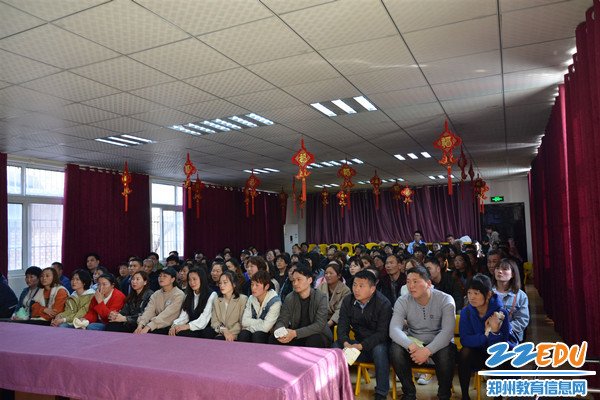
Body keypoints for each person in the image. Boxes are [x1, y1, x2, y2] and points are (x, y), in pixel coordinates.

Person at [389, 266, 456, 400]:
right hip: (415, 342)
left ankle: (444, 394)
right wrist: (411, 346)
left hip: (439, 343)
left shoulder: (445, 300)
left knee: (447, 352)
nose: (411, 286)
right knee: (395, 349)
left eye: (415, 281)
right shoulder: (403, 301)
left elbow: (447, 332)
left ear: (429, 284)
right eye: (408, 281)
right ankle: (409, 393)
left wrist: (427, 351)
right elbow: (394, 330)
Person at [337, 270, 392, 400]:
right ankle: (336, 387)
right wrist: (346, 343)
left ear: (372, 289)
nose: (356, 289)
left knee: (380, 350)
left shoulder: (384, 303)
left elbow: (382, 334)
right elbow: (342, 326)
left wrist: (361, 346)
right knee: (336, 347)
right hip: (357, 344)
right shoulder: (348, 301)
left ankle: (381, 392)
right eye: (355, 285)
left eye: (361, 286)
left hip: (377, 345)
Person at [458, 274, 514, 400]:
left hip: (497, 354)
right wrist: (485, 336)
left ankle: (498, 397)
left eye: (476, 293)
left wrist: (494, 331)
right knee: (464, 352)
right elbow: (465, 339)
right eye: (469, 293)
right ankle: (465, 396)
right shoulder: (466, 312)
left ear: (488, 295)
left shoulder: (500, 313)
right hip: (478, 352)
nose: (471, 297)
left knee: (497, 356)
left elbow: (501, 346)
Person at [270, 265, 332, 348]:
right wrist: (279, 332)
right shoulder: (290, 297)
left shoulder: (320, 297)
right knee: (273, 338)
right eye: (293, 280)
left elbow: (320, 325)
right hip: (296, 335)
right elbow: (282, 319)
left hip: (317, 334)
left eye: (299, 280)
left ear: (309, 280)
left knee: (313, 339)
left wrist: (295, 333)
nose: (295, 283)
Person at [135, 267, 185, 335]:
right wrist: (140, 325)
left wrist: (148, 327)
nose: (161, 278)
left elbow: (167, 315)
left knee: (149, 332)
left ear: (172, 279)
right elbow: (149, 311)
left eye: (165, 276)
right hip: (157, 324)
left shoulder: (179, 295)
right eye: (160, 276)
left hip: (171, 326)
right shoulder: (156, 294)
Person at [169, 267, 217, 338]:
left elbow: (204, 319)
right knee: (176, 331)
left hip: (204, 327)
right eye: (189, 280)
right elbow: (184, 316)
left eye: (194, 279)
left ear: (202, 279)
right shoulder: (189, 295)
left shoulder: (212, 295)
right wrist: (175, 325)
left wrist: (187, 326)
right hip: (191, 327)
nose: (192, 282)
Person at [492, 258, 529, 342]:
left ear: (512, 274)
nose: (499, 271)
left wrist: (503, 327)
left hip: (510, 336)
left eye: (504, 269)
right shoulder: (488, 293)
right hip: (490, 334)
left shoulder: (520, 296)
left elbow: (522, 320)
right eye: (497, 268)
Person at [239, 270, 281, 343]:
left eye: (257, 285)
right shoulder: (251, 298)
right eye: (252, 284)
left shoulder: (275, 301)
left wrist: (248, 328)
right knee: (243, 334)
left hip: (269, 333)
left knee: (258, 335)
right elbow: (244, 321)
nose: (253, 288)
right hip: (258, 328)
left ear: (266, 286)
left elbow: (266, 328)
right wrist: (261, 322)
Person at [210, 271, 247, 341]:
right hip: (221, 332)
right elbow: (214, 322)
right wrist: (223, 330)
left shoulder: (243, 299)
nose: (222, 285)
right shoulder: (217, 299)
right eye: (220, 283)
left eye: (225, 282)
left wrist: (229, 333)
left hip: (235, 333)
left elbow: (241, 322)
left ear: (234, 284)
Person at [316, 262, 350, 329]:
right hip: (321, 319)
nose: (328, 275)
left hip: (337, 321)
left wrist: (329, 323)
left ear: (339, 276)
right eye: (326, 273)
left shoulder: (345, 290)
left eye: (331, 273)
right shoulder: (320, 287)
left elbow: (340, 310)